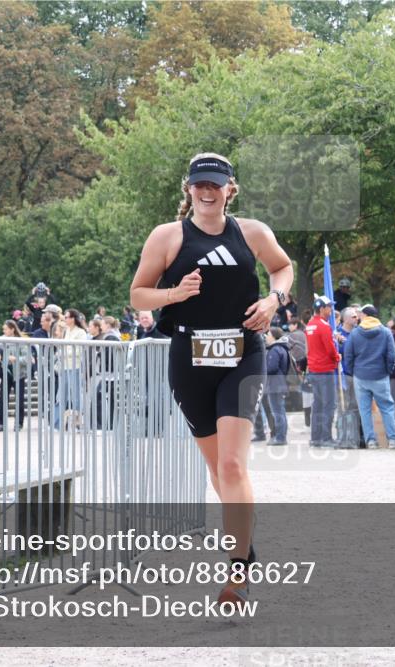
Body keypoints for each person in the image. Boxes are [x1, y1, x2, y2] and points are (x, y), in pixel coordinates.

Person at [129, 151, 293, 608]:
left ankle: (236, 572)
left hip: (243, 352)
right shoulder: (167, 236)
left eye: (215, 184)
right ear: (189, 189)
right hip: (190, 357)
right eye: (199, 183)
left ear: (229, 189)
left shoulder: (252, 232)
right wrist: (174, 294)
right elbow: (138, 293)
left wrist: (273, 301)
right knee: (217, 468)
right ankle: (246, 545)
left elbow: (282, 267)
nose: (206, 191)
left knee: (233, 466)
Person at [343, 305, 395, 449]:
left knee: (365, 410)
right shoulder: (386, 332)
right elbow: (391, 355)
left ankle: (371, 441)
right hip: (380, 375)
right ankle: (393, 440)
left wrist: (352, 372)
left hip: (360, 376)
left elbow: (348, 355)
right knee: (387, 407)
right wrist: (387, 370)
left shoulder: (355, 333)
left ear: (366, 315)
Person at [306, 296, 340, 447]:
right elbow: (330, 349)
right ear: (322, 309)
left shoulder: (310, 324)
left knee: (318, 404)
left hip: (314, 370)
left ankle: (316, 438)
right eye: (329, 307)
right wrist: (337, 356)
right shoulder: (324, 326)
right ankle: (326, 438)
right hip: (325, 370)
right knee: (329, 405)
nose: (331, 310)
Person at [54, 309, 89, 429]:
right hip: (64, 366)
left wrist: (64, 352)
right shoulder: (67, 331)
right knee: (61, 395)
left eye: (67, 317)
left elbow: (79, 349)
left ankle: (78, 422)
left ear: (73, 318)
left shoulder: (81, 332)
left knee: (76, 396)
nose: (65, 319)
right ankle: (58, 423)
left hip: (76, 366)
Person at [0, 319, 29, 431]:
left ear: (12, 329)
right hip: (6, 373)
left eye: (5, 329)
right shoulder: (2, 339)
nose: (3, 330)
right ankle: (0, 422)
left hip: (19, 373)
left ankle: (19, 423)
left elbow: (27, 358)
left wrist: (16, 359)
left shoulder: (21, 341)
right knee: (3, 398)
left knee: (19, 399)